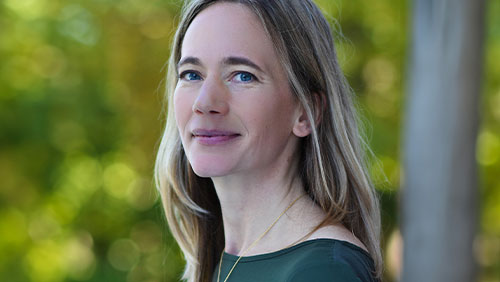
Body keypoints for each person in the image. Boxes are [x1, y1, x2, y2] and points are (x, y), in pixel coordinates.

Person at [155, 0, 382, 281]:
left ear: (305, 113)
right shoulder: (225, 260)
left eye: (242, 75)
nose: (204, 102)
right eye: (192, 74)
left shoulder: (323, 271)